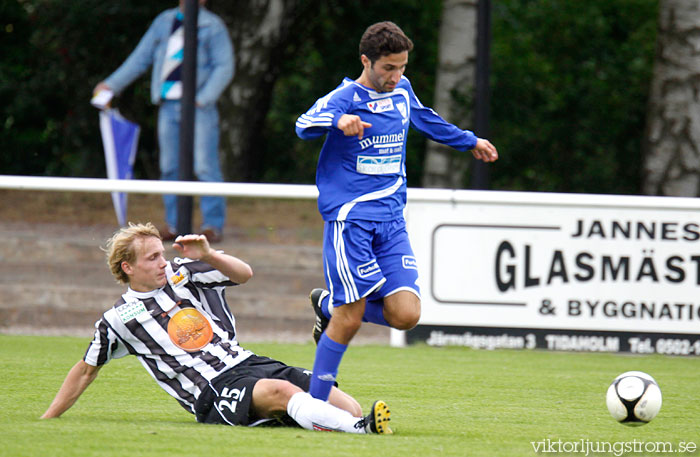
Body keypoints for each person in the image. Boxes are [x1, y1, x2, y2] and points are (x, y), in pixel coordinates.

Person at [295, 21, 499, 402]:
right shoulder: (346, 97)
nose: (396, 75)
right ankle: (316, 405)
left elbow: (426, 119)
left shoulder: (402, 90)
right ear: (366, 61)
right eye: (389, 67)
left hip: (391, 223)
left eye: (402, 66)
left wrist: (470, 141)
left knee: (406, 315)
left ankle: (327, 303)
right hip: (351, 221)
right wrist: (338, 120)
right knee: (350, 319)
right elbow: (304, 123)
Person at [40, 223, 392, 434]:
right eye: (152, 258)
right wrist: (47, 418)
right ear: (127, 268)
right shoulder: (118, 319)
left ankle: (340, 422)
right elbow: (86, 370)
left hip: (249, 363)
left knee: (348, 407)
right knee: (282, 392)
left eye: (162, 254)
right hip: (211, 389)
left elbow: (244, 274)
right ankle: (360, 432)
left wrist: (208, 254)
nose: (163, 262)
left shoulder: (184, 275)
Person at [93, 0, 232, 242]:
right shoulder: (164, 22)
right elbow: (140, 58)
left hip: (199, 108)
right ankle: (175, 224)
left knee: (205, 166)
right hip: (168, 105)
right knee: (169, 166)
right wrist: (111, 86)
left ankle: (212, 226)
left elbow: (225, 66)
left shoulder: (213, 26)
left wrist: (203, 98)